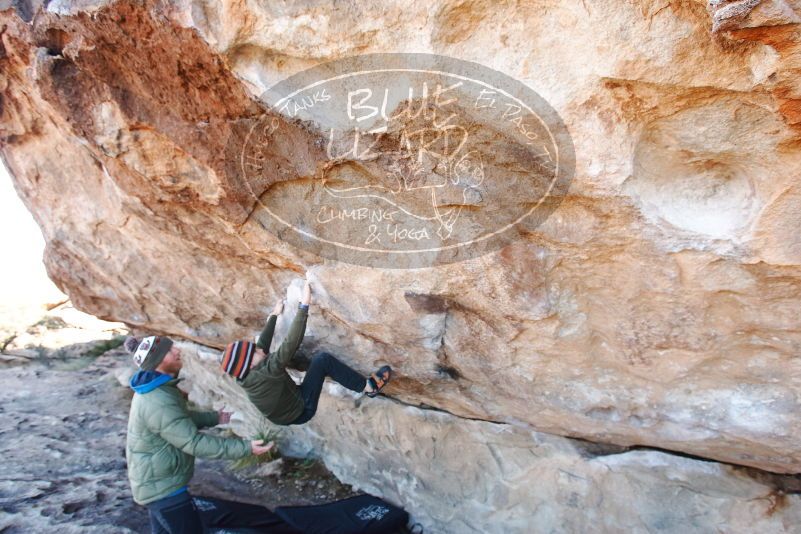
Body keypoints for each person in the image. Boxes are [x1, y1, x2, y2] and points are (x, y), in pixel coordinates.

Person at [125, 334, 291, 533]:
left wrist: (216, 418)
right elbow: (192, 442)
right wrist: (246, 448)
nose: (177, 351)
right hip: (164, 493)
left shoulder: (157, 391)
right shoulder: (157, 400)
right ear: (158, 361)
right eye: (170, 350)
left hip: (156, 487)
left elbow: (177, 423)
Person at [219, 279, 392, 426]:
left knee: (266, 355)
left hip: (284, 411)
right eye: (254, 352)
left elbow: (262, 346)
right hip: (301, 410)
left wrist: (273, 315)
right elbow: (291, 343)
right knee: (322, 360)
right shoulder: (267, 371)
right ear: (250, 364)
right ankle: (368, 387)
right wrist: (304, 305)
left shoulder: (243, 373)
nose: (258, 349)